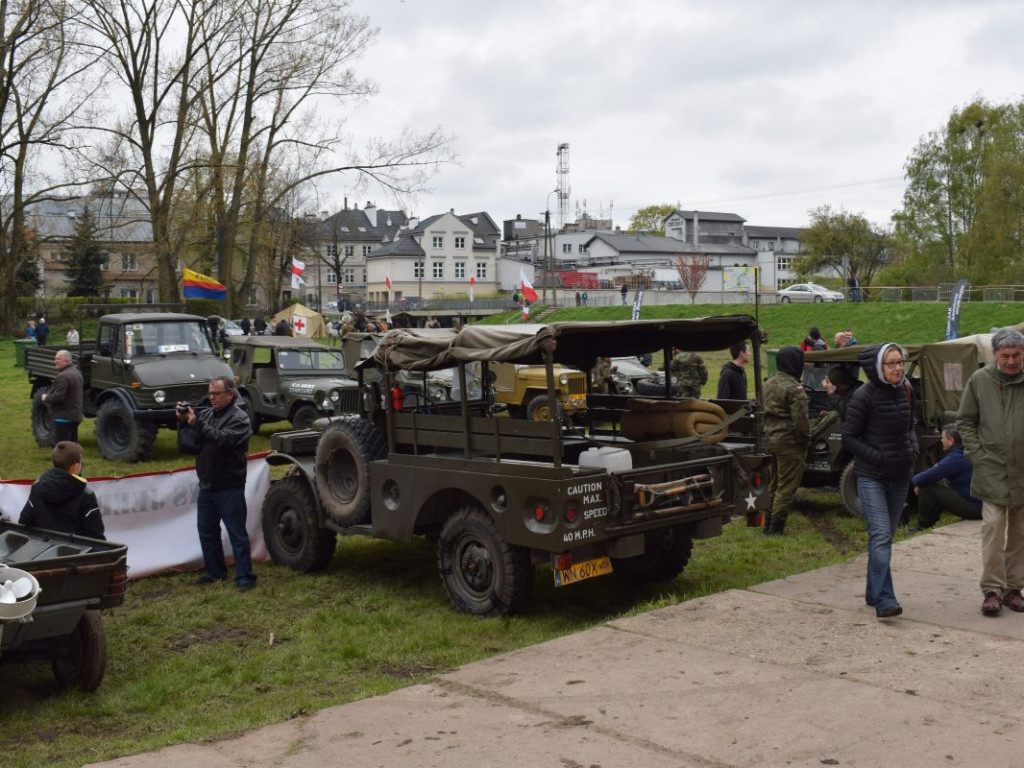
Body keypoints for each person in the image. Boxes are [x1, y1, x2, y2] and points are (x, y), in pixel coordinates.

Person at [843, 343, 917, 619]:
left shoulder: (906, 390)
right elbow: (849, 437)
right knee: (881, 535)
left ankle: (873, 592)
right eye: (891, 363)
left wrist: (912, 450)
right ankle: (885, 599)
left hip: (900, 477)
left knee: (885, 537)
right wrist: (878, 457)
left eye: (900, 362)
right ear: (878, 367)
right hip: (872, 477)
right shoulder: (863, 395)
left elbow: (911, 426)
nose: (898, 368)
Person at [956, 326, 1024, 616]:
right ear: (995, 354)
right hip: (992, 468)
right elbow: (965, 420)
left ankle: (1014, 589)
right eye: (1005, 355)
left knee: (1020, 533)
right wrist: (977, 455)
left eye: (1017, 355)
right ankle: (992, 590)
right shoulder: (980, 380)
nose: (1011, 361)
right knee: (993, 529)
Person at [176, 376, 256, 591]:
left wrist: (198, 424)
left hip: (229, 486)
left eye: (216, 394)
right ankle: (215, 572)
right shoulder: (207, 415)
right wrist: (183, 423)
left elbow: (222, 440)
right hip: (207, 484)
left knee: (236, 533)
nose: (212, 398)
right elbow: (189, 446)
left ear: (230, 394)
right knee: (207, 531)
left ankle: (246, 578)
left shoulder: (240, 418)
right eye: (210, 393)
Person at [762, 346, 810, 536]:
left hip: (769, 439)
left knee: (773, 485)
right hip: (789, 443)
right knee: (786, 487)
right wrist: (805, 440)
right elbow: (801, 421)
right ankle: (776, 528)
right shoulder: (794, 388)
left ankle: (767, 525)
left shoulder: (768, 383)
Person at [19, 441, 104, 539]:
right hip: (74, 548)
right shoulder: (86, 496)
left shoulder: (37, 487)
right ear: (75, 467)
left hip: (41, 546)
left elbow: (25, 520)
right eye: (80, 462)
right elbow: (96, 536)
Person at [908, 424, 981, 533]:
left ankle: (923, 524)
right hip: (982, 505)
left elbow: (924, 478)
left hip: (974, 508)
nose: (941, 440)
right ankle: (932, 517)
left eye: (942, 438)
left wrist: (914, 480)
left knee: (926, 487)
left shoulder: (956, 458)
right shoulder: (967, 451)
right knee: (936, 482)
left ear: (951, 440)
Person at [41, 349, 84, 443]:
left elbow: (59, 397)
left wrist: (46, 397)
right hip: (75, 416)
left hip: (63, 418)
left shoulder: (62, 376)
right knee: (72, 446)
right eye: (55, 359)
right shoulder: (76, 372)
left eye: (58, 359)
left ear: (66, 361)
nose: (55, 361)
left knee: (62, 447)